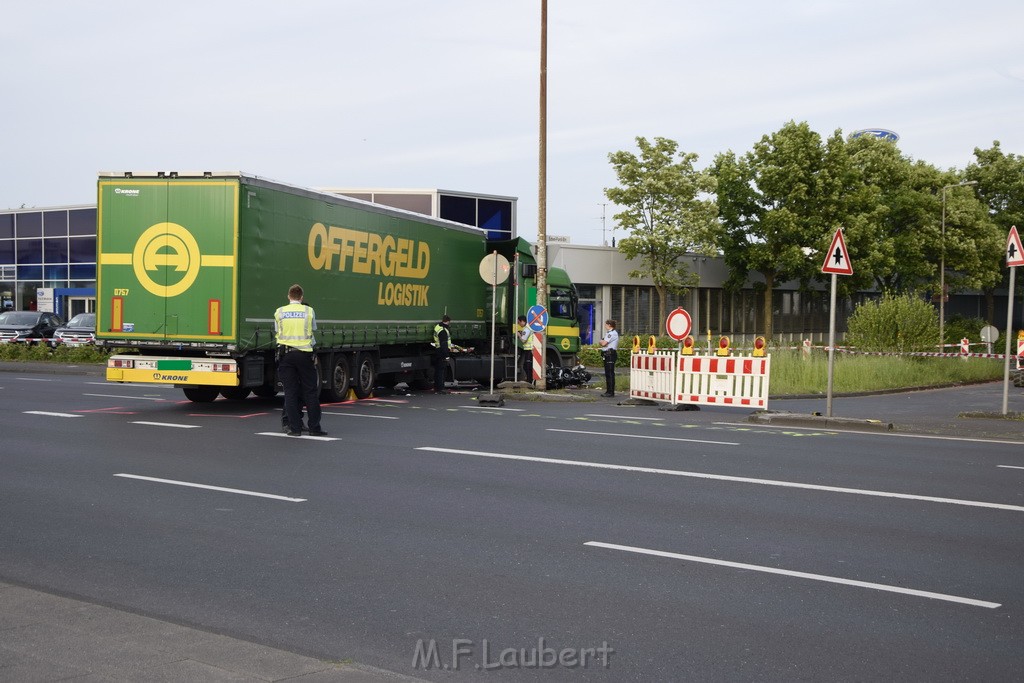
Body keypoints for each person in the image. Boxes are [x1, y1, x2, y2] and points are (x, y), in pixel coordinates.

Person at [274, 284, 326, 436]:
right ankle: (315, 428)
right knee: (310, 392)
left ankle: (294, 428)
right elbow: (313, 329)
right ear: (301, 297)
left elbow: (278, 331)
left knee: (290, 393)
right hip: (304, 355)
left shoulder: (280, 312)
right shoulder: (308, 311)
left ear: (288, 296)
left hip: (287, 355)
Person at [433, 314, 460, 394]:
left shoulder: (438, 327)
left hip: (438, 350)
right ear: (448, 321)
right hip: (442, 352)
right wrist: (447, 356)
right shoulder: (443, 331)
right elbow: (444, 344)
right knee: (441, 371)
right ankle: (440, 388)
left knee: (438, 370)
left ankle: (437, 387)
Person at [597, 319, 619, 397]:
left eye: (606, 324)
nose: (605, 326)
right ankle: (608, 391)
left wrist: (601, 341)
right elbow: (604, 343)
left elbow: (603, 343)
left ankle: (610, 392)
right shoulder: (609, 333)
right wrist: (602, 342)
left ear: (609, 325)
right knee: (607, 374)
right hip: (607, 355)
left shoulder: (611, 333)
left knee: (610, 374)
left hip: (610, 355)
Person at [516, 315, 534, 383]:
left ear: (522, 321)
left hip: (529, 350)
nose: (518, 324)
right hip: (528, 349)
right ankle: (530, 379)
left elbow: (523, 340)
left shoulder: (527, 329)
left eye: (519, 322)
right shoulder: (528, 328)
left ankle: (530, 380)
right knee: (527, 366)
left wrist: (519, 335)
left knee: (527, 366)